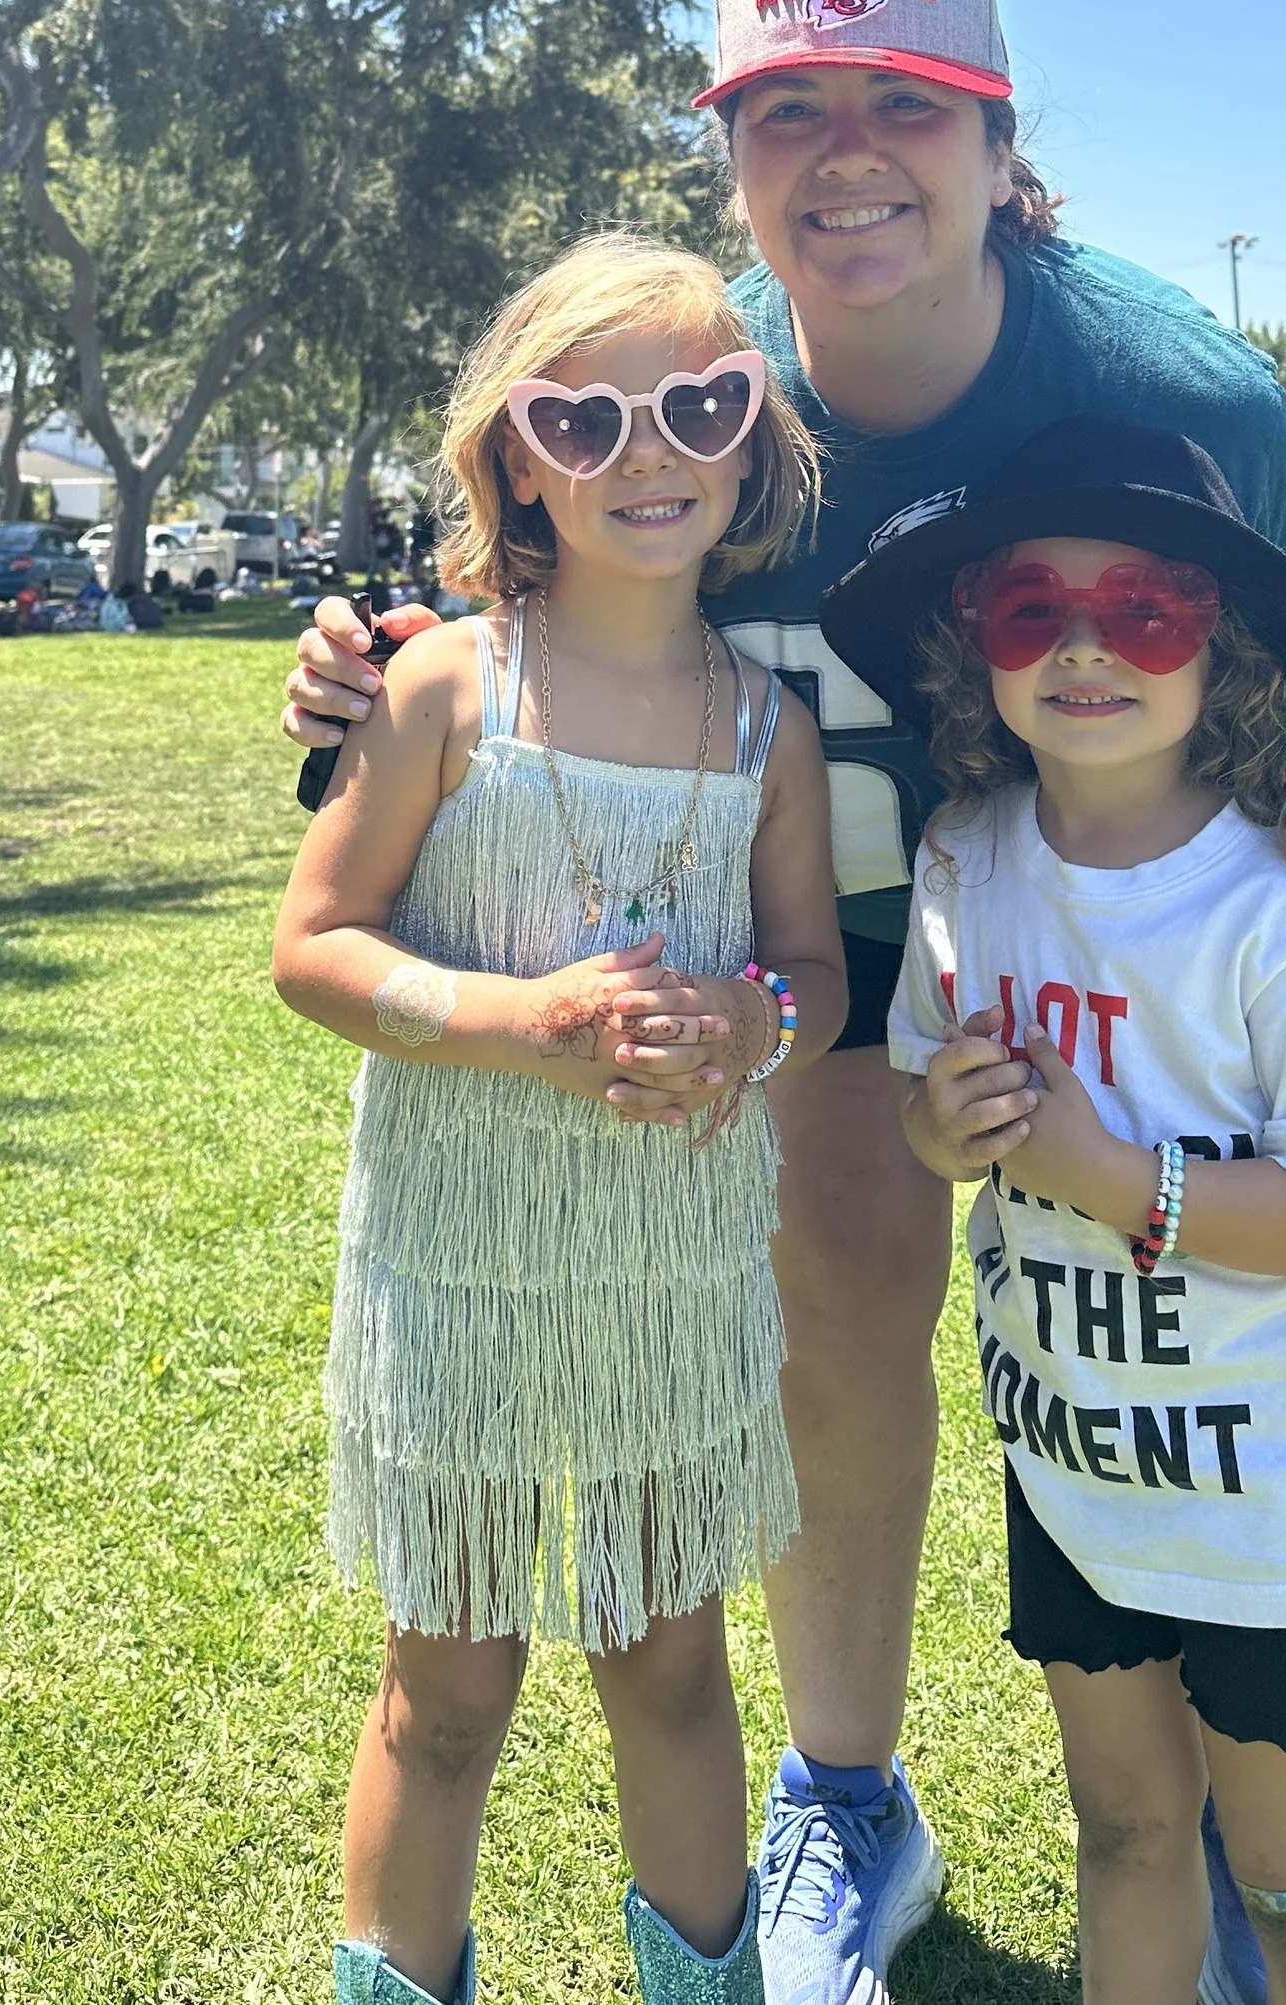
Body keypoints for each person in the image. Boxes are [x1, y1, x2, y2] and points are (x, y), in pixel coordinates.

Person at [285, 0, 1286, 2004]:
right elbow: (502, 583)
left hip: (1069, 897)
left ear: (999, 140)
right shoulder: (685, 376)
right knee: (837, 1322)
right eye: (786, 105)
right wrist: (357, 664)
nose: (847, 151)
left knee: (1144, 1308)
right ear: (727, 147)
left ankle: (1209, 1798)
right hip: (779, 933)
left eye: (905, 98)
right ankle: (843, 1796)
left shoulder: (1170, 382)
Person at [274, 236, 846, 2004]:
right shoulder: (444, 688)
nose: (645, 453)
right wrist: (523, 1020)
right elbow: (308, 948)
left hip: (671, 1272)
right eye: (581, 419)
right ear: (512, 453)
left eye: (697, 405)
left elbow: (818, 978)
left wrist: (749, 1030)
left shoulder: (773, 733)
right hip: (457, 1264)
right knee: (447, 1686)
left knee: (670, 1660)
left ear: (752, 441)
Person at [820, 417, 1286, 2005]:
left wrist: (1111, 1183)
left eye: (1147, 609)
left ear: (1216, 646)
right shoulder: (965, 857)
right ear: (977, 646)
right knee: (1124, 1829)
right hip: (1072, 1459)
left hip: (1264, 1492)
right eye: (1032, 609)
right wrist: (944, 1132)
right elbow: (921, 1101)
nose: (1087, 649)